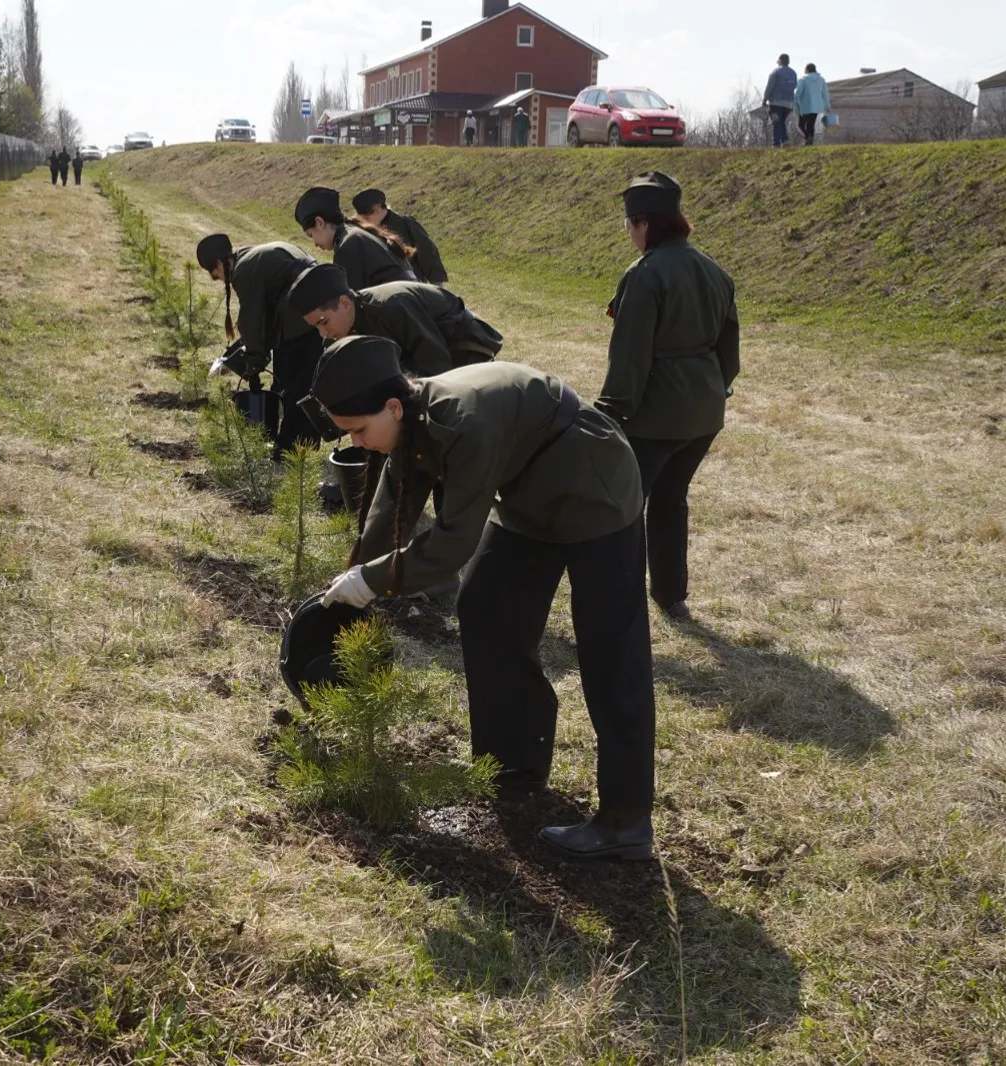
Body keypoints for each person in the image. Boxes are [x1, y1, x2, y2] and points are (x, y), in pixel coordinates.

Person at [312, 336, 656, 859]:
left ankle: (624, 822)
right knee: (486, 612)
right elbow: (391, 509)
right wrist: (355, 575)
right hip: (530, 497)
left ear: (393, 406)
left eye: (359, 430)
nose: (356, 443)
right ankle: (512, 764)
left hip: (595, 487)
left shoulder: (461, 422)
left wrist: (376, 580)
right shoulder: (411, 421)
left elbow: (452, 542)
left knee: (611, 652)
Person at [598, 172, 739, 621]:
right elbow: (729, 348)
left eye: (629, 226)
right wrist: (716, 388)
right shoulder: (714, 269)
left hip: (655, 415)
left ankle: (620, 598)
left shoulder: (644, 274)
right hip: (705, 411)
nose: (629, 236)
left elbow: (631, 353)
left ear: (643, 224)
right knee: (671, 498)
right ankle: (671, 594)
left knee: (624, 505)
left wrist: (612, 412)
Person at [195, 233, 323, 457]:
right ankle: (303, 443)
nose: (220, 280)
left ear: (217, 264)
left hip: (301, 320)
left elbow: (252, 319)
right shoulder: (250, 256)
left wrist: (254, 357)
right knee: (300, 384)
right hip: (314, 311)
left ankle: (291, 449)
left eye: (215, 276)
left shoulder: (244, 270)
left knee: (293, 387)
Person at [288, 263, 499, 376]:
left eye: (323, 322)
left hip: (462, 343)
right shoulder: (345, 322)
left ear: (344, 302)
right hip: (424, 352)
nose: (323, 333)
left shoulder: (392, 307)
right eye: (315, 326)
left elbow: (436, 363)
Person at [294, 186, 415, 291]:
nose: (315, 243)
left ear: (320, 222)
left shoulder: (347, 245)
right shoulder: (356, 233)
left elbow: (350, 306)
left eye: (311, 235)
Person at [351, 188, 447, 285]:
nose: (365, 222)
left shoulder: (406, 224)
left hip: (414, 287)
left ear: (376, 210)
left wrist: (437, 287)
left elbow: (429, 255)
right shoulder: (368, 232)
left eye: (366, 218)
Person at [763, 54, 797, 148]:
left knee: (776, 121)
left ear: (780, 61)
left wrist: (765, 99)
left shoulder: (775, 72)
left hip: (776, 101)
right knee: (782, 122)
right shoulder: (793, 73)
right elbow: (794, 86)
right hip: (788, 103)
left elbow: (769, 87)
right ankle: (785, 140)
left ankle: (777, 142)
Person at [794, 63, 830, 145]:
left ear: (807, 69)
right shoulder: (821, 80)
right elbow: (825, 94)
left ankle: (807, 137)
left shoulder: (802, 80)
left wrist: (795, 103)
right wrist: (827, 105)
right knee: (811, 125)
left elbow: (798, 93)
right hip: (816, 107)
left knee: (801, 125)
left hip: (804, 107)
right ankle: (810, 143)